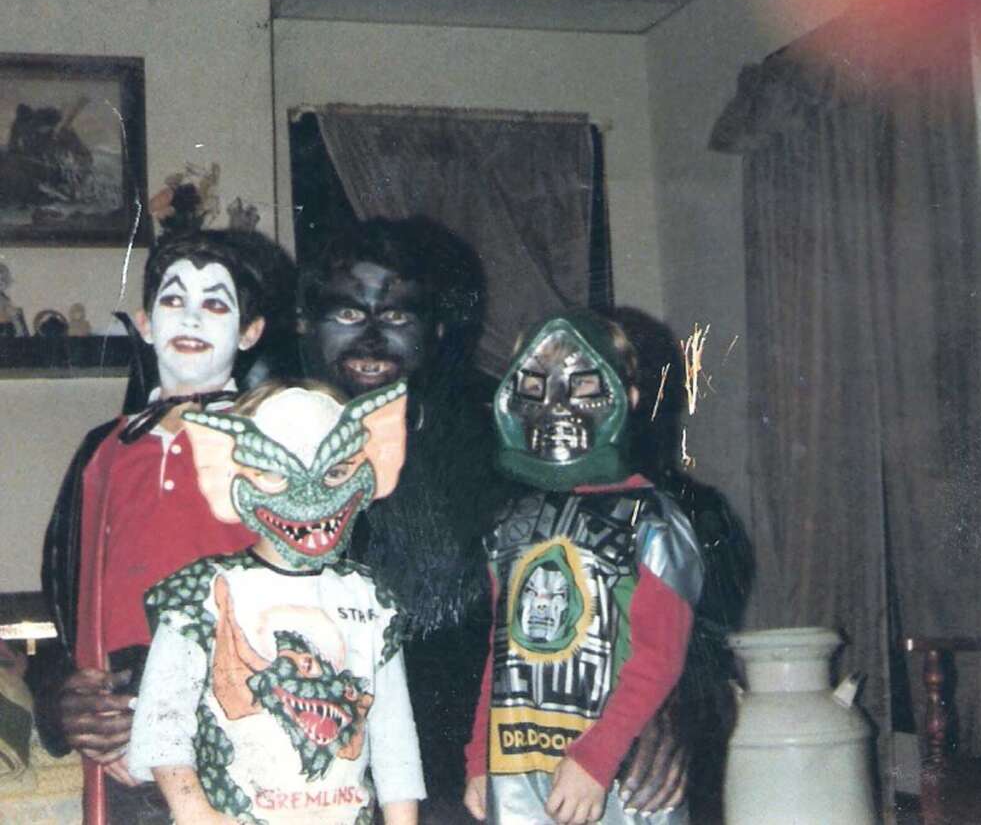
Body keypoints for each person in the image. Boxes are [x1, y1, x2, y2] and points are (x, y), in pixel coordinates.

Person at [297, 220, 698, 822]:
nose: (373, 340)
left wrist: (665, 713)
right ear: (305, 325)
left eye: (398, 317)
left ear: (434, 331)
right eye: (348, 316)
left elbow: (648, 592)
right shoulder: (259, 442)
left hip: (472, 785)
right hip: (297, 768)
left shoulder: (511, 436)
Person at [32, 228, 295, 824]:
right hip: (125, 731)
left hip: (240, 728)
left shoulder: (275, 442)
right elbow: (68, 589)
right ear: (147, 322)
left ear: (250, 333)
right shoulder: (106, 449)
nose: (193, 317)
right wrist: (80, 703)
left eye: (217, 303)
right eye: (175, 299)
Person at [127, 381, 423, 825]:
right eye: (277, 471)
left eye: (335, 472)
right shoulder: (201, 593)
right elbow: (161, 722)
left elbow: (393, 734)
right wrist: (195, 812)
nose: (310, 495)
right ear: (229, 472)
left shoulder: (370, 598)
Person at [463, 310, 704, 825]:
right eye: (536, 385)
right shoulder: (508, 523)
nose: (557, 407)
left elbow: (660, 656)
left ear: (628, 397)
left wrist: (597, 758)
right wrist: (480, 759)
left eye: (583, 386)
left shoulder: (653, 518)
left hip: (616, 769)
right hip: (518, 763)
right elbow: (501, 653)